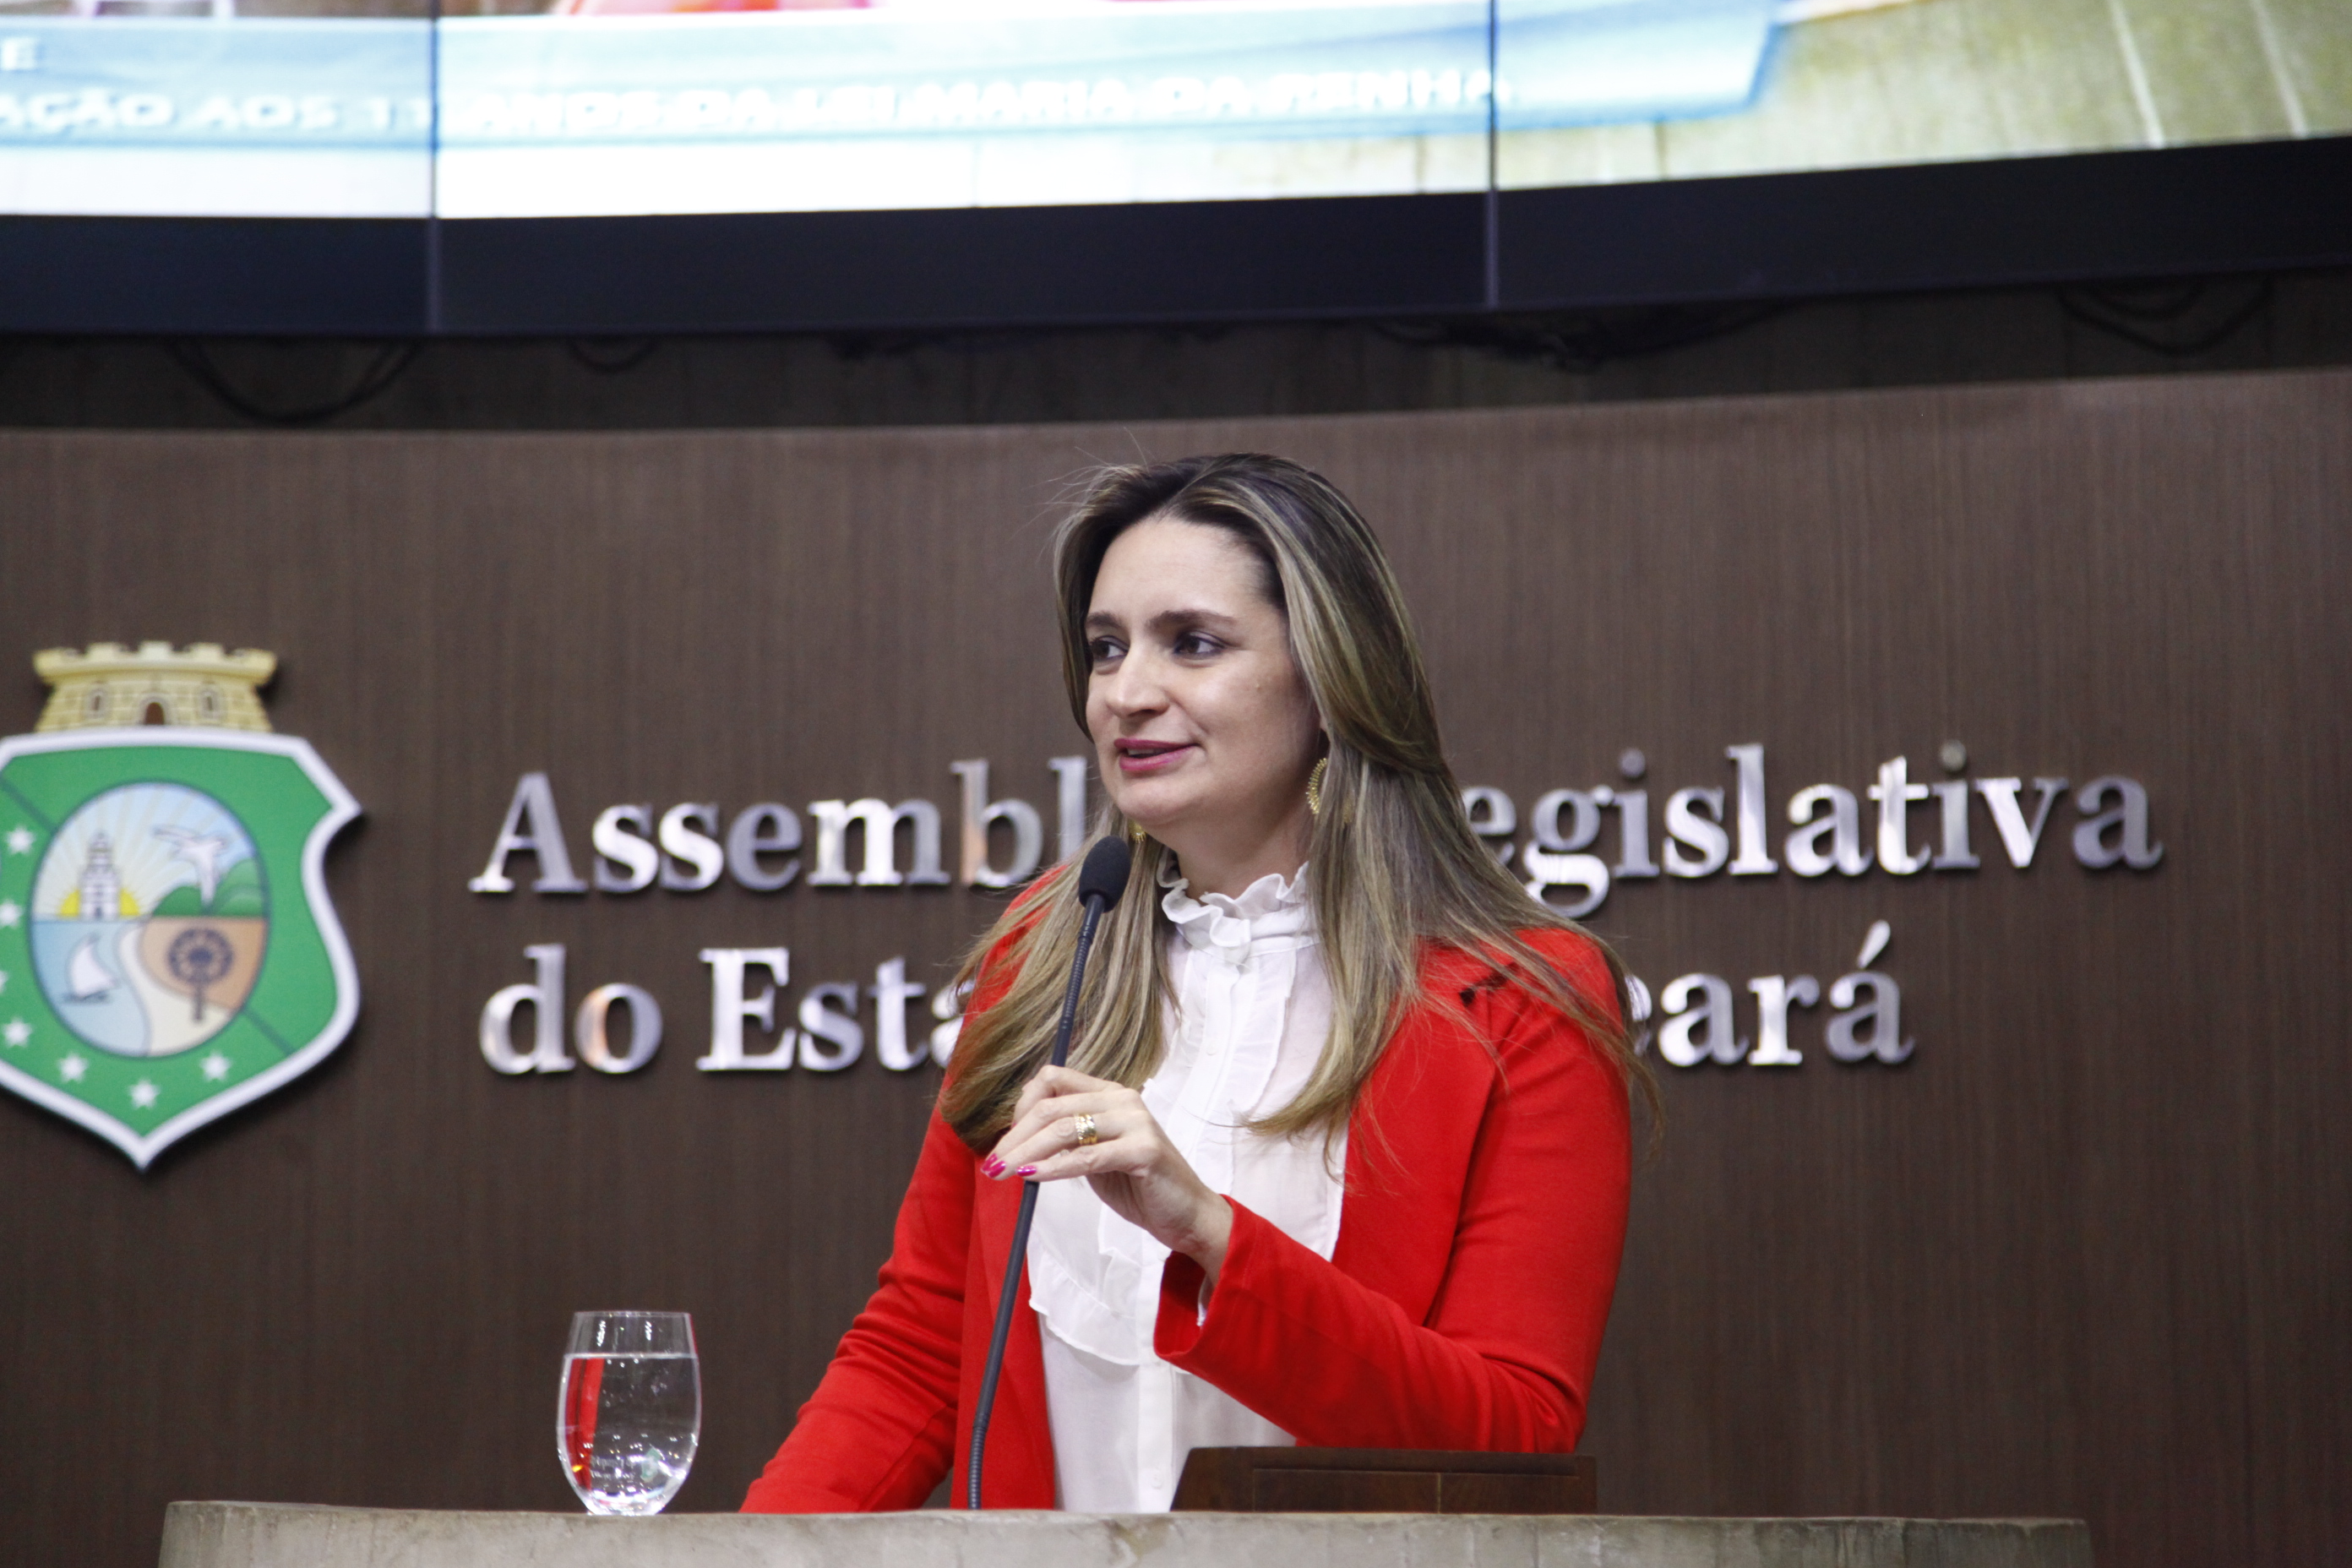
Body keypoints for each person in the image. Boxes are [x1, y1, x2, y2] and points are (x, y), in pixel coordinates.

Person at [743, 452, 1646, 1513]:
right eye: (1106, 647)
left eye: (1194, 643)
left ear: (1331, 679)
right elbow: (919, 1348)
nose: (1127, 693)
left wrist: (1210, 1233)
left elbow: (1513, 1433)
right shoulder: (1042, 957)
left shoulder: (1520, 996)